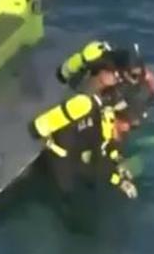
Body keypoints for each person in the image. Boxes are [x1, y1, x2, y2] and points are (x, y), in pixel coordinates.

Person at [30, 70, 138, 200]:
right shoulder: (88, 108)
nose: (127, 128)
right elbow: (97, 165)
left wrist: (118, 161)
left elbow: (103, 149)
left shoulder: (103, 115)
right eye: (128, 124)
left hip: (70, 152)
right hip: (61, 156)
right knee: (65, 192)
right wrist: (119, 181)